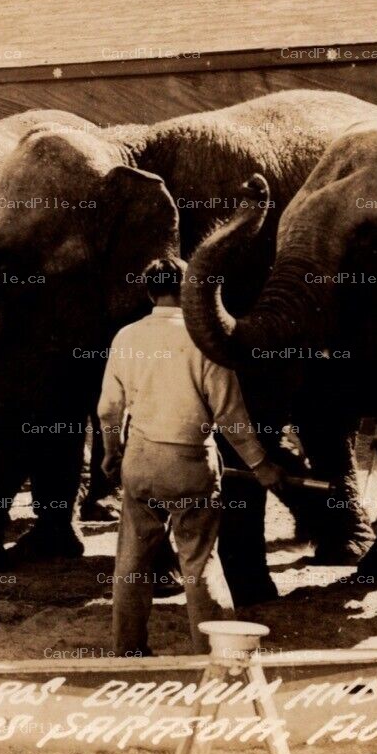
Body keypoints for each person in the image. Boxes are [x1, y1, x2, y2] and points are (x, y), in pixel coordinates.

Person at [97, 255, 283, 656]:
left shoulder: (126, 336)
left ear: (149, 291)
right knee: (200, 562)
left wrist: (111, 453)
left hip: (140, 461)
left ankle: (128, 651)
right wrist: (260, 464)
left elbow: (109, 409)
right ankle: (215, 654)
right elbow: (230, 413)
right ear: (188, 291)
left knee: (131, 561)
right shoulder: (205, 340)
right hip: (190, 463)